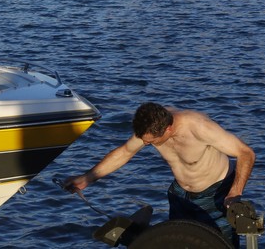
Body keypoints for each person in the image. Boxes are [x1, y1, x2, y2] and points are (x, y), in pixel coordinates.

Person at [63, 102, 255, 247]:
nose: (147, 144)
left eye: (151, 141)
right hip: (180, 194)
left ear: (168, 129)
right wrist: (87, 178)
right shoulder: (151, 128)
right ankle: (138, 229)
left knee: (219, 245)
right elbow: (125, 152)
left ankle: (139, 227)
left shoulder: (199, 127)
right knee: (178, 244)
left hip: (216, 195)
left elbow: (246, 153)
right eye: (145, 141)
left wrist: (235, 193)